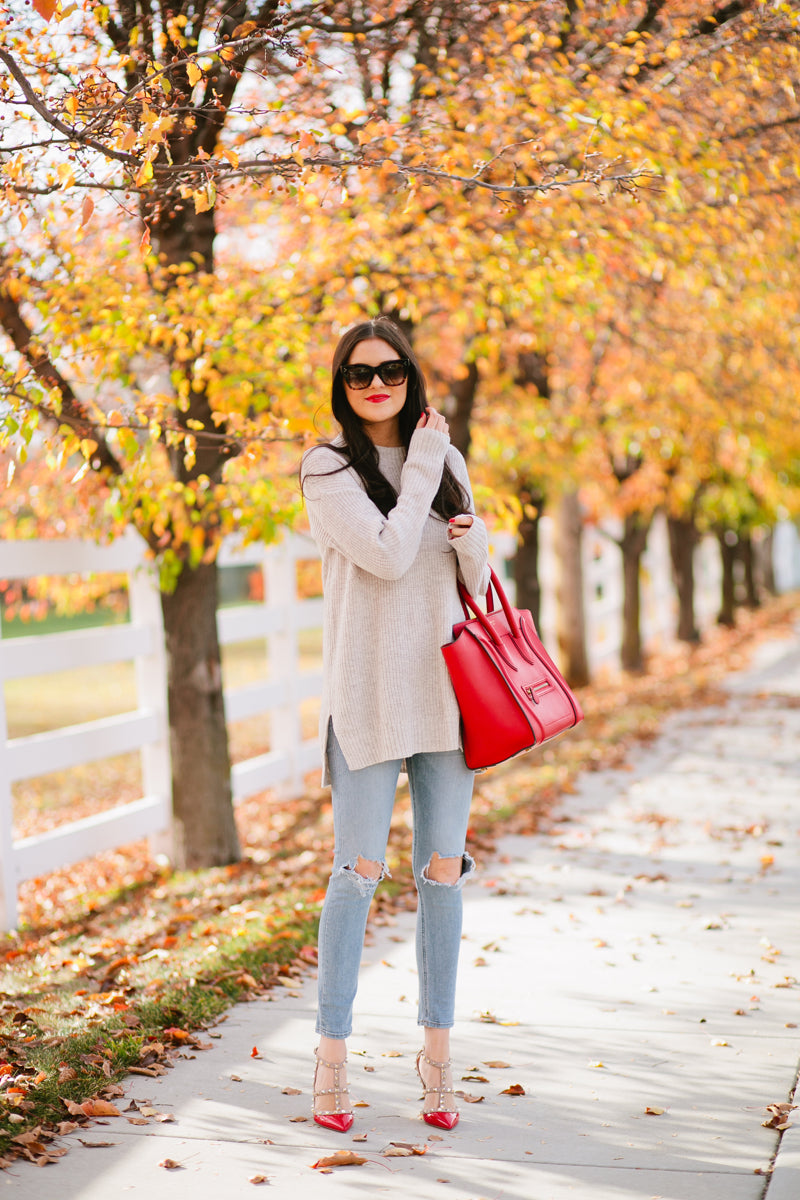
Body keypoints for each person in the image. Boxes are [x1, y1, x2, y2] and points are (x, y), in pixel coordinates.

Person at [300, 318, 490, 1132]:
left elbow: (474, 579)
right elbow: (384, 554)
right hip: (371, 694)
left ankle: (438, 1059)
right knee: (357, 875)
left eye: (390, 370)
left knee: (443, 876)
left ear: (411, 375)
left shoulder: (444, 459)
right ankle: (331, 1061)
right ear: (341, 384)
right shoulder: (327, 467)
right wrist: (418, 468)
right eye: (357, 373)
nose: (376, 383)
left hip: (447, 697)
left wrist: (476, 540)